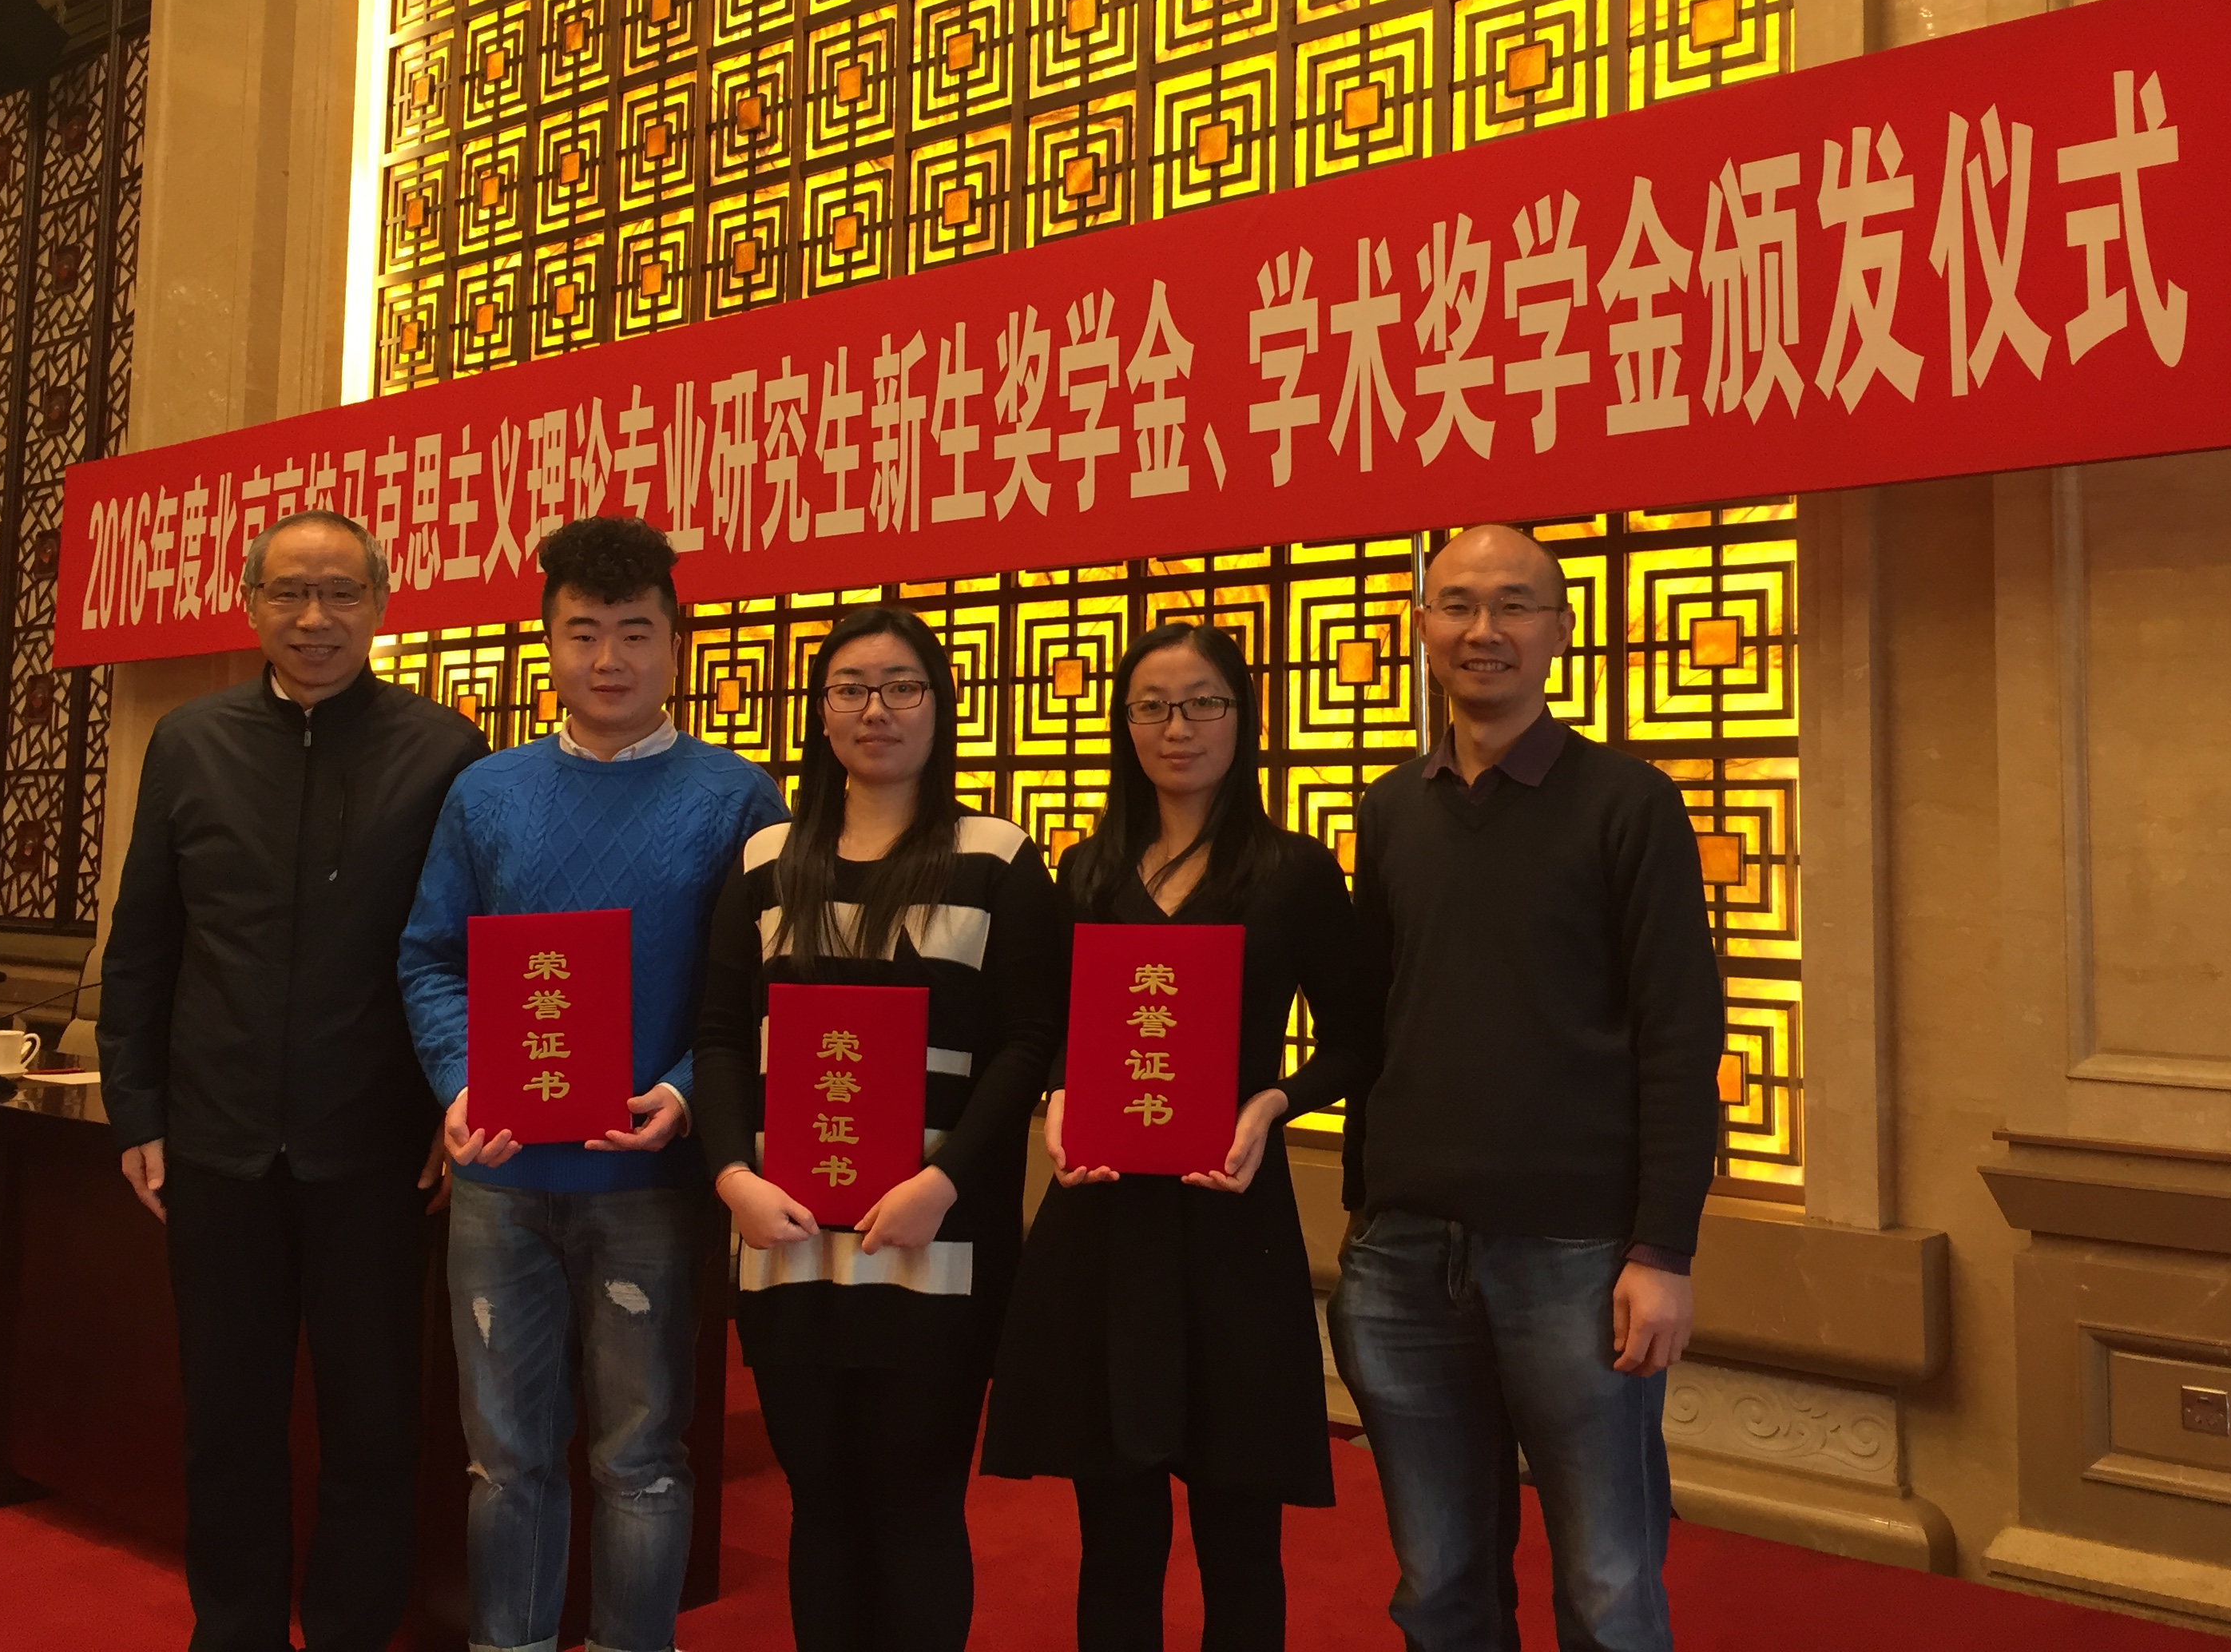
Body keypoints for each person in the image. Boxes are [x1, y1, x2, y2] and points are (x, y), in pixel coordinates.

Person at [1328, 522, 1724, 1652]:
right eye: (1457, 604)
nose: (1483, 630)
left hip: (1578, 1256)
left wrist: (1662, 1250)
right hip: (1404, 1254)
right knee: (1438, 1579)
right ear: (1421, 628)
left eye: (1513, 605)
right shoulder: (1390, 811)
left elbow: (1680, 1033)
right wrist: (1361, 1201)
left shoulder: (1628, 802)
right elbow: (1376, 1022)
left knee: (1607, 1582)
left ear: (1559, 630)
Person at [99, 507, 486, 1652]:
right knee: (227, 1422)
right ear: (250, 604)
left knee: (374, 1426)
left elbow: (466, 948)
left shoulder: (444, 750)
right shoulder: (189, 741)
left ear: (382, 603)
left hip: (376, 1151)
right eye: (289, 593)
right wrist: (136, 1108)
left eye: (341, 593)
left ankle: (354, 1632)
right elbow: (144, 941)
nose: (315, 618)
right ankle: (233, 1633)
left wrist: (451, 1104)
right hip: (215, 1146)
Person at [397, 516, 784, 1652]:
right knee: (504, 1458)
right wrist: (461, 1083)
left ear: (676, 643)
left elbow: (770, 984)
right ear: (549, 644)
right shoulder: (486, 794)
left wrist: (687, 1090)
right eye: (583, 633)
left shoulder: (738, 799)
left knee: (642, 1459)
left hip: (651, 1183)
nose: (609, 658)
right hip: (502, 1179)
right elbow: (431, 957)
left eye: (635, 632)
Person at [982, 621, 1370, 1652]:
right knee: (1115, 1530)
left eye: (1203, 703)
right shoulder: (1086, 870)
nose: (1178, 727)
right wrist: (1058, 1095)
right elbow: (1051, 1026)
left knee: (1239, 1530)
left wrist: (1273, 1103)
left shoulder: (1291, 870)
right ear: (1124, 725)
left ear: (1242, 718)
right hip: (1105, 1221)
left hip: (1230, 1220)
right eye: (1151, 707)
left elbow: (1356, 1041)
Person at [692, 606, 1066, 1652]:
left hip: (938, 1243)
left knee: (915, 1504)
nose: (877, 709)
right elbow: (719, 1035)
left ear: (941, 706)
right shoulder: (768, 859)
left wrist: (945, 1183)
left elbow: (1029, 1041)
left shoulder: (997, 857)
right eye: (851, 688)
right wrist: (732, 1177)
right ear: (821, 713)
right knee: (820, 1503)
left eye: (903, 686)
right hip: (788, 1239)